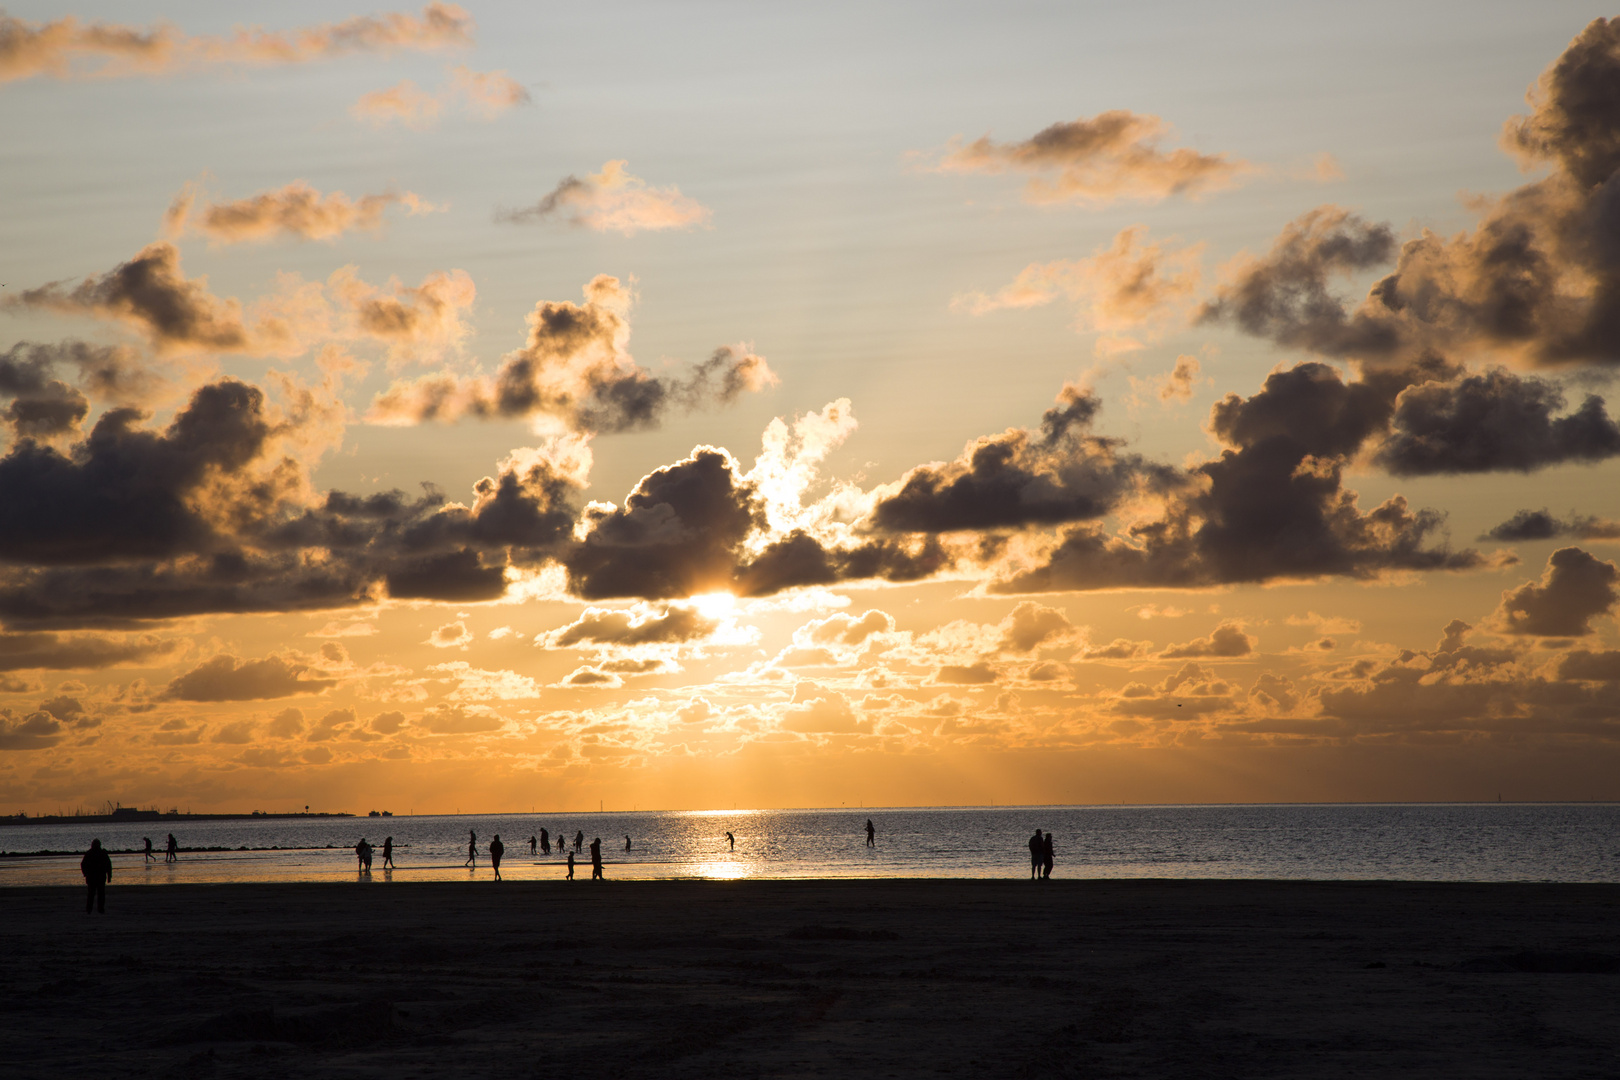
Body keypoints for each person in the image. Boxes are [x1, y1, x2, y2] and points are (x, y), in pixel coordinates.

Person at [81, 839, 112, 914]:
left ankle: (91, 909)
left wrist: (85, 873)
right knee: (97, 894)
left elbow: (108, 865)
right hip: (96, 877)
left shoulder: (90, 853)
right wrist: (109, 876)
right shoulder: (101, 853)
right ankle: (97, 909)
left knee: (93, 894)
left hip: (94, 877)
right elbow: (108, 865)